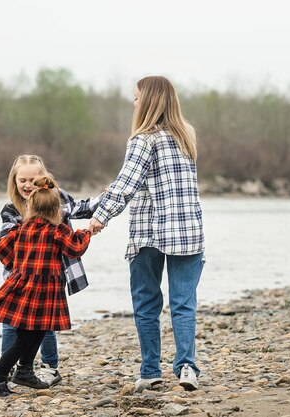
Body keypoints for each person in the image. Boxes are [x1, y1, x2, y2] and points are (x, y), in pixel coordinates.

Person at [89, 76, 205, 392]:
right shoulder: (187, 136)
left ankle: (151, 370)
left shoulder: (143, 139)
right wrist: (113, 191)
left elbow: (128, 184)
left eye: (137, 97)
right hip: (188, 231)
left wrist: (99, 217)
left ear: (150, 101)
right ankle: (187, 369)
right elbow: (154, 182)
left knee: (146, 302)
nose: (134, 102)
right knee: (184, 303)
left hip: (149, 232)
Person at [0, 174, 93, 396]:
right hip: (45, 290)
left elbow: (0, 247)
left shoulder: (20, 229)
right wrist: (88, 231)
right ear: (57, 211)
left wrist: (18, 264)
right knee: (26, 337)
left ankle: (24, 371)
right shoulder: (58, 230)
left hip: (23, 288)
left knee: (38, 331)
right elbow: (76, 248)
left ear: (30, 207)